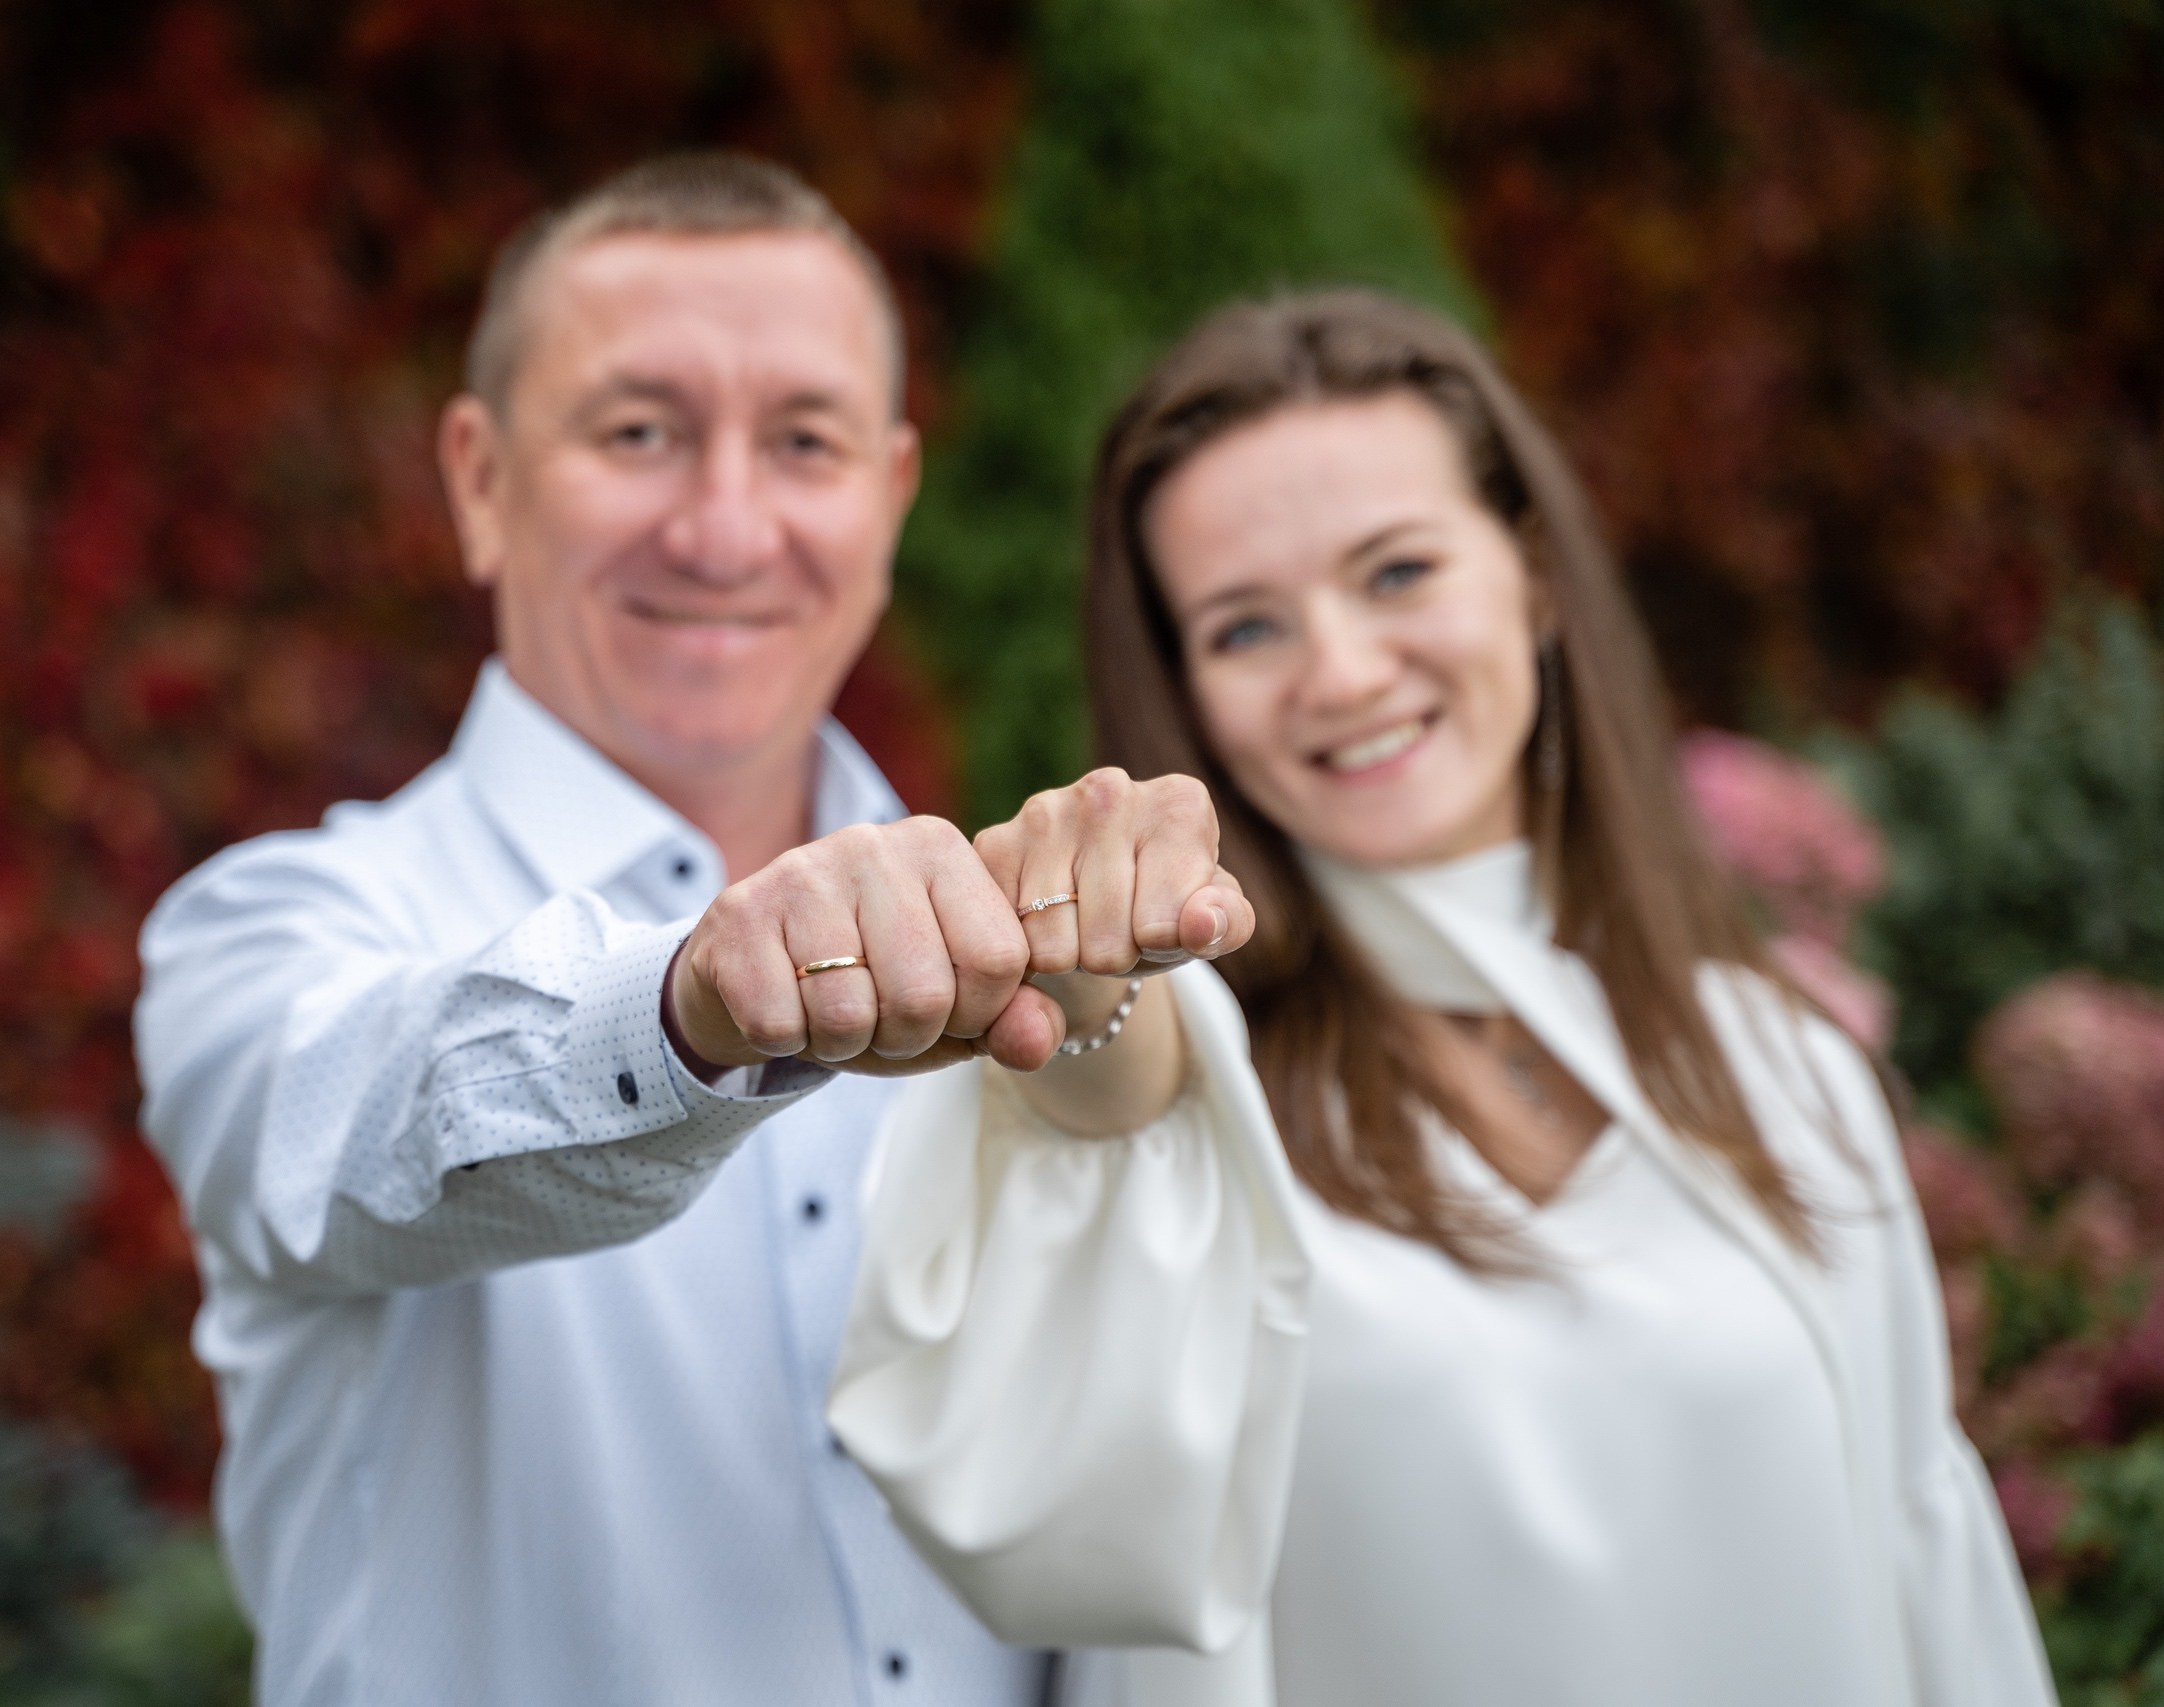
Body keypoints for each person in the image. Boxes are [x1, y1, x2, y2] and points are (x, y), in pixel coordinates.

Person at [829, 289, 2056, 1707]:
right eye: (1244, 630)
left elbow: (1924, 1563)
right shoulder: (1197, 1092)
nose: (1342, 673)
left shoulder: (1783, 1066)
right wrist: (1089, 1004)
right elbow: (1110, 1102)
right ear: (1179, 690)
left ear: (1532, 576)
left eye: (1398, 572)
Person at [133, 153, 1249, 1706]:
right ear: (479, 478)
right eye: (640, 433)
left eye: (803, 442)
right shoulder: (273, 932)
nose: (725, 530)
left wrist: (1114, 1022)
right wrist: (688, 1014)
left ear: (891, 495)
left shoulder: (1021, 924)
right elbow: (356, 1123)